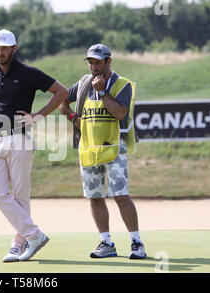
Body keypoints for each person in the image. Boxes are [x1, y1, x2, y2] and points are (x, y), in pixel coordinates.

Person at [0, 29, 68, 262]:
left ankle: (18, 245)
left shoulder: (29, 73)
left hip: (20, 139)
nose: (0, 52)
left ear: (14, 49)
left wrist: (38, 116)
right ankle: (35, 236)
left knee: (20, 196)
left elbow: (61, 91)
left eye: (4, 48)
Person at [58, 44, 146, 259]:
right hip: (89, 148)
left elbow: (119, 112)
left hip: (114, 148)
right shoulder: (82, 84)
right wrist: (73, 118)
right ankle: (106, 243)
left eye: (97, 62)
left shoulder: (122, 84)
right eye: (90, 62)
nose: (93, 66)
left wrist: (102, 92)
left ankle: (136, 242)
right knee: (95, 197)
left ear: (109, 62)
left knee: (121, 196)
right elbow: (62, 100)